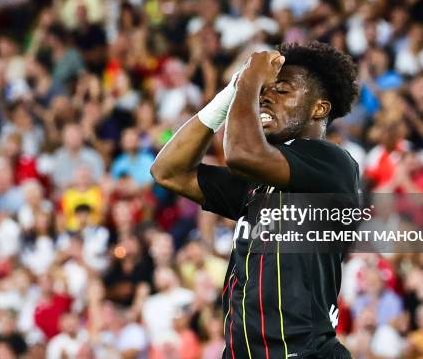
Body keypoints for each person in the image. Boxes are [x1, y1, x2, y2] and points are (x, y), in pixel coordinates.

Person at [152, 42, 359, 358]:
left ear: (319, 108)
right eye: (265, 90)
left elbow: (242, 153)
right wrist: (228, 95)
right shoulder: (256, 183)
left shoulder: (333, 163)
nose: (266, 96)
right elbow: (168, 171)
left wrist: (250, 80)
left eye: (282, 91)